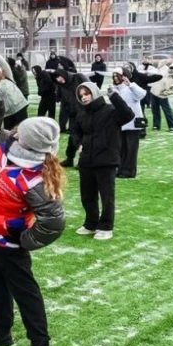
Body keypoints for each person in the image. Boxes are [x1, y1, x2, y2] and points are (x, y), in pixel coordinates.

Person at [0, 93, 66, 346]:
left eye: (21, 131)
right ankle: (2, 330)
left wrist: (24, 240)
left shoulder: (35, 178)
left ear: (29, 142)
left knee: (25, 293)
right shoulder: (5, 147)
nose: (15, 131)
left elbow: (53, 221)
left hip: (7, 243)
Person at [71, 82, 134, 240]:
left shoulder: (110, 111)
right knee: (87, 195)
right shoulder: (81, 113)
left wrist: (114, 96)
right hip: (86, 161)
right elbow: (75, 132)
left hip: (106, 160)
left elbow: (128, 115)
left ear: (94, 93)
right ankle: (91, 224)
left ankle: (106, 226)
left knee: (107, 196)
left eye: (87, 93)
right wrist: (78, 144)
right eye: (81, 95)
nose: (84, 97)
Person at [109, 66, 148, 179]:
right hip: (120, 123)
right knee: (121, 148)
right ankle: (120, 169)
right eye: (114, 76)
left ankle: (129, 171)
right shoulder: (114, 89)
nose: (115, 78)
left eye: (118, 76)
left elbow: (142, 94)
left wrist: (130, 84)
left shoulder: (131, 88)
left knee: (131, 149)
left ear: (124, 76)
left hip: (133, 124)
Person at [147, 61, 173, 132]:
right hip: (154, 92)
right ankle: (156, 126)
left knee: (167, 111)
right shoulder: (163, 68)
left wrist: (165, 93)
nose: (171, 70)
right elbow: (160, 63)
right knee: (155, 110)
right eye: (171, 68)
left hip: (162, 95)